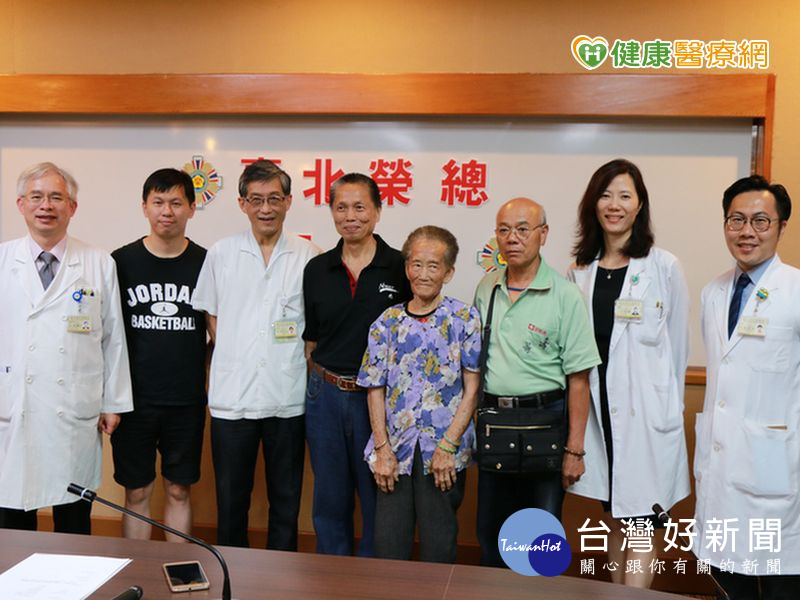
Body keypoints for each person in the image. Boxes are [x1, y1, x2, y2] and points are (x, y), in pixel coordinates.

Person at [567, 159, 690, 588]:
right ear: (593, 204)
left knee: (642, 523)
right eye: (605, 195)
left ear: (639, 206)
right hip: (601, 416)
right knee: (620, 516)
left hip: (647, 419)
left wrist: (667, 414)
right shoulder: (580, 271)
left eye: (624, 196)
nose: (614, 205)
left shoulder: (663, 267)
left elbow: (677, 349)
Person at [192, 160, 319, 549]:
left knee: (286, 499)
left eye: (274, 199)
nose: (266, 208)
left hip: (287, 397)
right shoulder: (222, 253)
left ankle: (283, 573)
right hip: (233, 399)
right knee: (231, 500)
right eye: (257, 199)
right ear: (242, 204)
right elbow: (211, 314)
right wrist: (237, 350)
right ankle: (233, 570)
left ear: (289, 202)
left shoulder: (308, 255)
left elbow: (316, 325)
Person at [0, 162, 132, 533]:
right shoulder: (3, 260)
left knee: (73, 513)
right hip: (15, 404)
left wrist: (113, 402)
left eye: (56, 197)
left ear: (72, 207)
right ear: (21, 204)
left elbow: (113, 337)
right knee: (12, 510)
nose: (46, 206)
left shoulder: (98, 262)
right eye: (37, 197)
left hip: (71, 407)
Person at [473, 197, 600, 568]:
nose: (512, 238)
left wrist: (574, 450)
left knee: (539, 540)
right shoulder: (487, 287)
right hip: (496, 426)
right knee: (491, 536)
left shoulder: (565, 295)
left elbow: (579, 378)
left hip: (545, 426)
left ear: (543, 234)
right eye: (504, 230)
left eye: (522, 229)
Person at [695, 175, 800, 600]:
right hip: (722, 465)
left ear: (781, 227)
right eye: (736, 220)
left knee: (780, 584)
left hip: (778, 466)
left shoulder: (796, 290)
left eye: (760, 221)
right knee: (728, 584)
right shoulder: (713, 291)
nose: (746, 231)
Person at [302, 173, 411, 556]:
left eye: (360, 207)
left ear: (377, 211)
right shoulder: (317, 269)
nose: (350, 216)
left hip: (377, 399)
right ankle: (332, 576)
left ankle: (374, 578)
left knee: (379, 494)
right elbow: (312, 340)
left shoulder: (399, 267)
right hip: (326, 395)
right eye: (341, 207)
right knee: (329, 497)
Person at [357, 226, 480, 563]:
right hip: (395, 451)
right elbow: (374, 389)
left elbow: (472, 389)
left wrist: (448, 446)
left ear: (449, 272)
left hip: (443, 452)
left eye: (433, 266)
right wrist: (382, 449)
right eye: (417, 264)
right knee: (388, 546)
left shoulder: (464, 319)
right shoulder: (387, 322)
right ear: (407, 267)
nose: (423, 274)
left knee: (439, 546)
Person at [111, 168, 207, 542]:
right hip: (133, 400)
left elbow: (217, 331)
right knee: (136, 491)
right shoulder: (120, 262)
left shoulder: (206, 263)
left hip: (186, 400)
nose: (167, 211)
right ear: (144, 207)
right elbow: (108, 334)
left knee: (179, 490)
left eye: (176, 203)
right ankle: (136, 567)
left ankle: (175, 565)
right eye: (158, 202)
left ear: (192, 209)